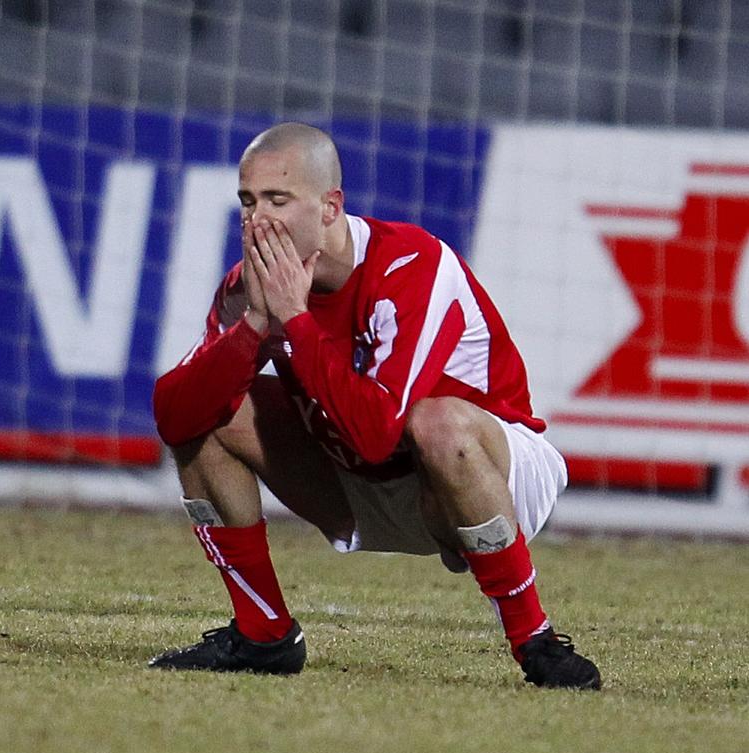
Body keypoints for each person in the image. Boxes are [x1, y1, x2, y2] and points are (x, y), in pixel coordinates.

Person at [150, 122, 601, 690]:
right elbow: (173, 417)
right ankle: (262, 634)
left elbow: (375, 433)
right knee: (212, 411)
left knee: (435, 419)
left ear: (331, 208)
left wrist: (295, 321)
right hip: (362, 481)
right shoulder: (252, 289)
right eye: (248, 201)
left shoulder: (412, 267)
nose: (256, 220)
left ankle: (534, 640)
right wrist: (257, 328)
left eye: (277, 200)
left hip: (490, 474)